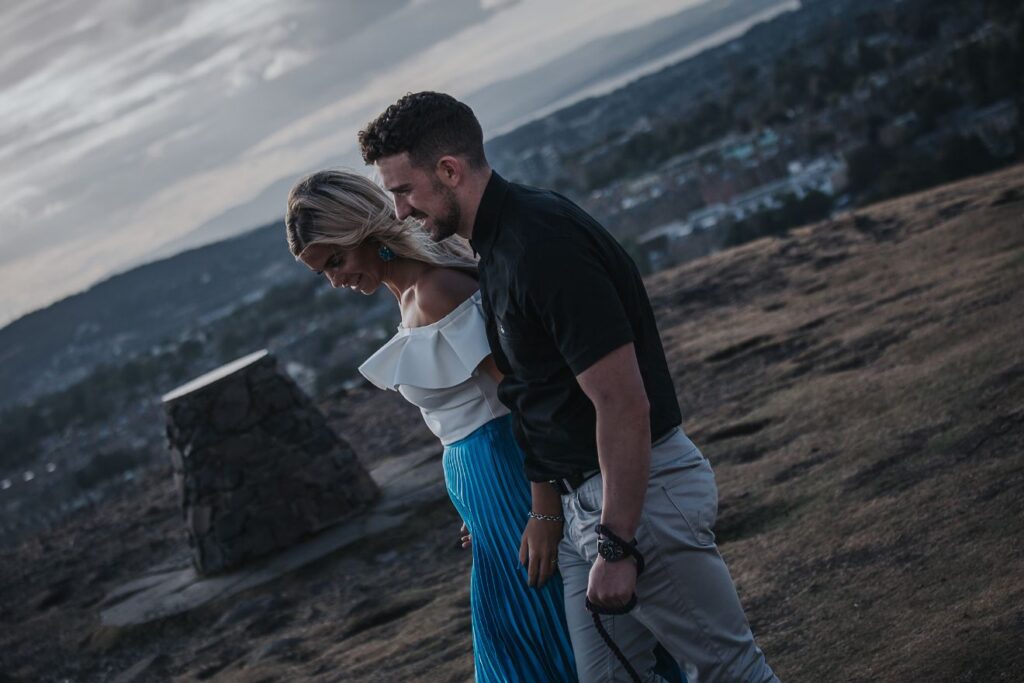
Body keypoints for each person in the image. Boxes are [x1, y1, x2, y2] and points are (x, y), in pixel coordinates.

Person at [358, 91, 780, 682]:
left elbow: (622, 401)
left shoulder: (541, 245)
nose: (399, 213)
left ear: (449, 170)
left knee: (728, 669)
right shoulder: (498, 248)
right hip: (587, 509)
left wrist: (616, 543)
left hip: (638, 501)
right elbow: (535, 399)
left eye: (404, 191)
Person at [286, 170, 688, 683]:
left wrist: (543, 514)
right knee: (529, 645)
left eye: (336, 260)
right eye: (321, 271)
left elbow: (524, 403)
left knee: (547, 645)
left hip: (516, 481)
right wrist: (476, 504)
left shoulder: (436, 290)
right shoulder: (408, 291)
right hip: (488, 495)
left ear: (363, 232)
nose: (335, 279)